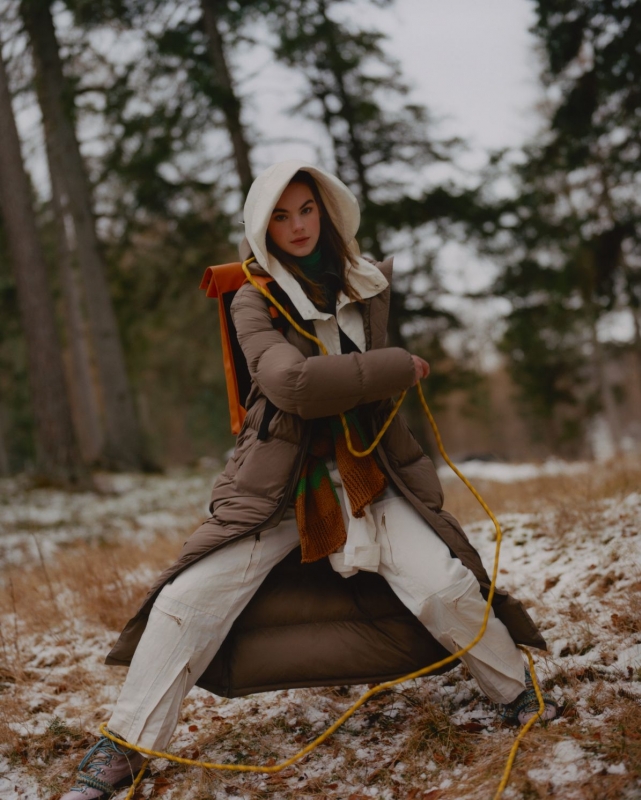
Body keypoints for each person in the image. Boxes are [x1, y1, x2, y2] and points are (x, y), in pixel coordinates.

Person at [60, 161, 556, 799]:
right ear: (261, 226)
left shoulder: (367, 286)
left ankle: (515, 692)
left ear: (327, 213)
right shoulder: (251, 297)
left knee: (443, 586)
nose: (296, 226)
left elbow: (338, 385)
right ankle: (124, 748)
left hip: (369, 475)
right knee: (187, 602)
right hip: (279, 488)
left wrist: (370, 374)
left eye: (307, 210)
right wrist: (395, 366)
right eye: (281, 215)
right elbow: (291, 385)